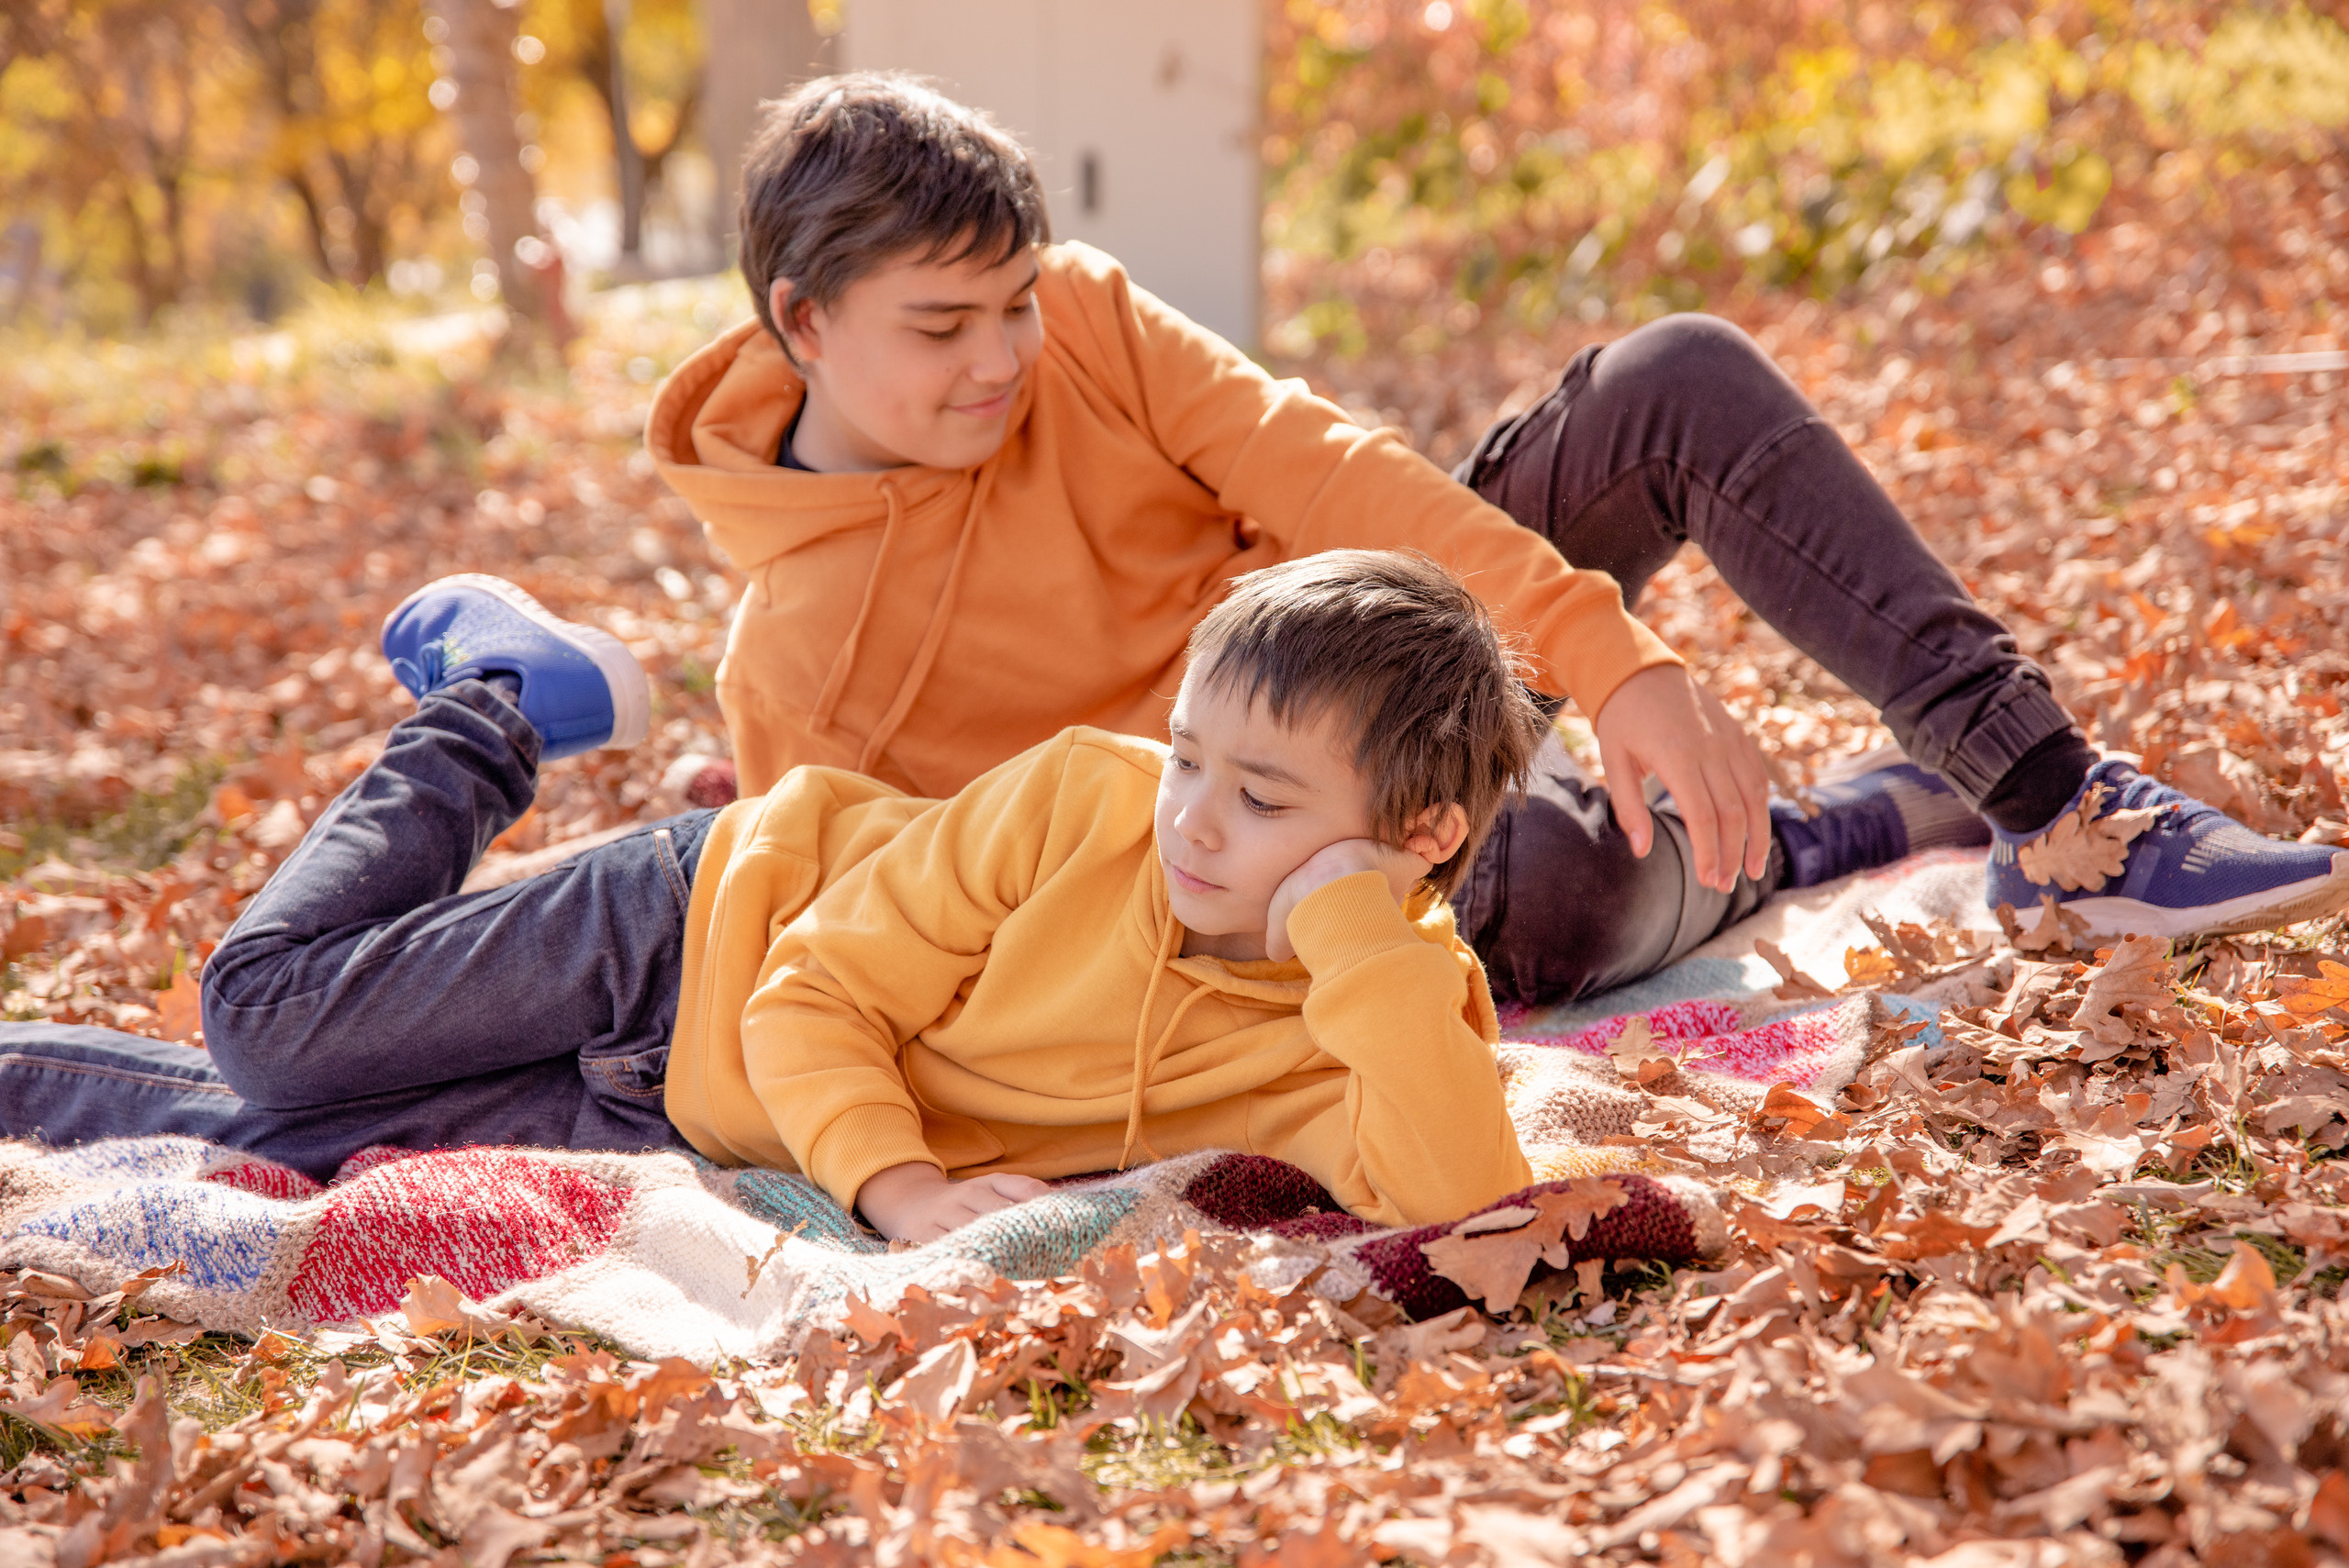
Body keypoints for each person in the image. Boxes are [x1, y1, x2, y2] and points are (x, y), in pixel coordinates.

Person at [647, 72, 2349, 1006]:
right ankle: (1827, 832)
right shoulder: (802, 664)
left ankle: (2053, 808)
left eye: (1013, 302)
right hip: (1288, 860)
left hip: (1383, 632)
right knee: (1525, 895)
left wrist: (1616, 661)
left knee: (1672, 379)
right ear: (803, 320)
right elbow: (932, 961)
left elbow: (1337, 475)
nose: (1004, 357)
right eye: (942, 328)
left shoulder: (1081, 322)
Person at [0, 554, 1548, 1240]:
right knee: (268, 1028)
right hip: (699, 919)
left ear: (1417, 833)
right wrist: (901, 1187)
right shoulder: (1084, 796)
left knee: (265, 1141)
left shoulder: (1372, 1015)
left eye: (1265, 801)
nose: (1194, 824)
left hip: (693, 1112)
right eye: (1191, 759)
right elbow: (816, 983)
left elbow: (1459, 1192)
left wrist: (1354, 923)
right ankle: (496, 703)